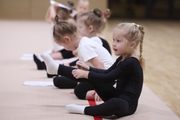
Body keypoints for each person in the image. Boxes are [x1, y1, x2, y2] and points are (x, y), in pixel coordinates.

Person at [40, 22, 145, 118]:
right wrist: (89, 69)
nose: (113, 44)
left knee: (115, 103)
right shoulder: (122, 58)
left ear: (132, 44)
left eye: (118, 41)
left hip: (127, 105)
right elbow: (107, 72)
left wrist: (87, 74)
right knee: (88, 76)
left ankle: (85, 110)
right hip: (115, 95)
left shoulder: (131, 62)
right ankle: (57, 69)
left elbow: (109, 78)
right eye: (113, 40)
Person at [52, 8, 114, 101]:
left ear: (67, 39)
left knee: (79, 91)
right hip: (100, 74)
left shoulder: (84, 46)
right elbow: (86, 67)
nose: (63, 48)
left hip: (108, 78)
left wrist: (100, 89)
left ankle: (108, 94)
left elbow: (100, 65)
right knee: (78, 85)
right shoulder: (82, 43)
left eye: (62, 45)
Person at [34, 0, 76, 72]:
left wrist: (53, 7)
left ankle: (43, 64)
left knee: (48, 58)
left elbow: (52, 17)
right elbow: (48, 18)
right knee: (47, 55)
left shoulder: (66, 22)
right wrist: (51, 7)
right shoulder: (56, 22)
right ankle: (43, 63)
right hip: (61, 49)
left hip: (67, 51)